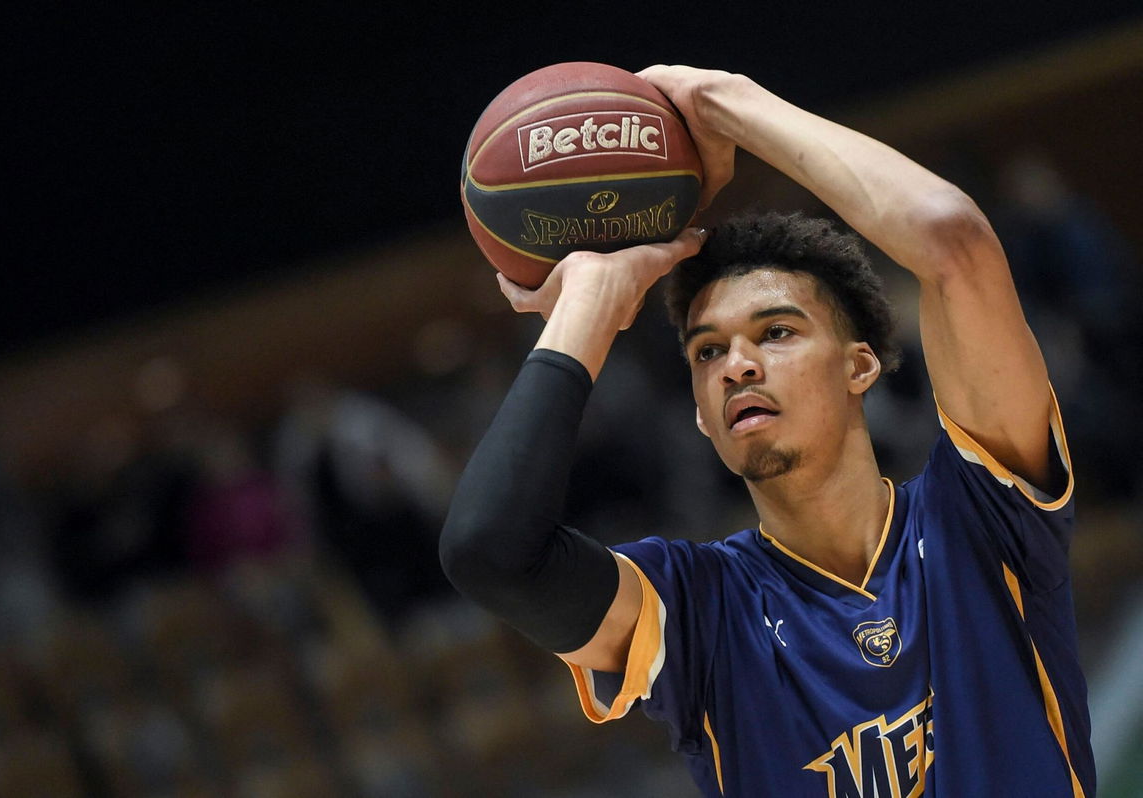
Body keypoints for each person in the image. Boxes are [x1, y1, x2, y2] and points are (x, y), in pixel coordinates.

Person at [439, 64, 1094, 797]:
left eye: (775, 332)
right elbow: (489, 551)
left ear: (861, 366)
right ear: (698, 414)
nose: (737, 367)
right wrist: (591, 297)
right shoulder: (695, 611)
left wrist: (726, 103)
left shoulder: (980, 515)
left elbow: (951, 240)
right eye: (707, 351)